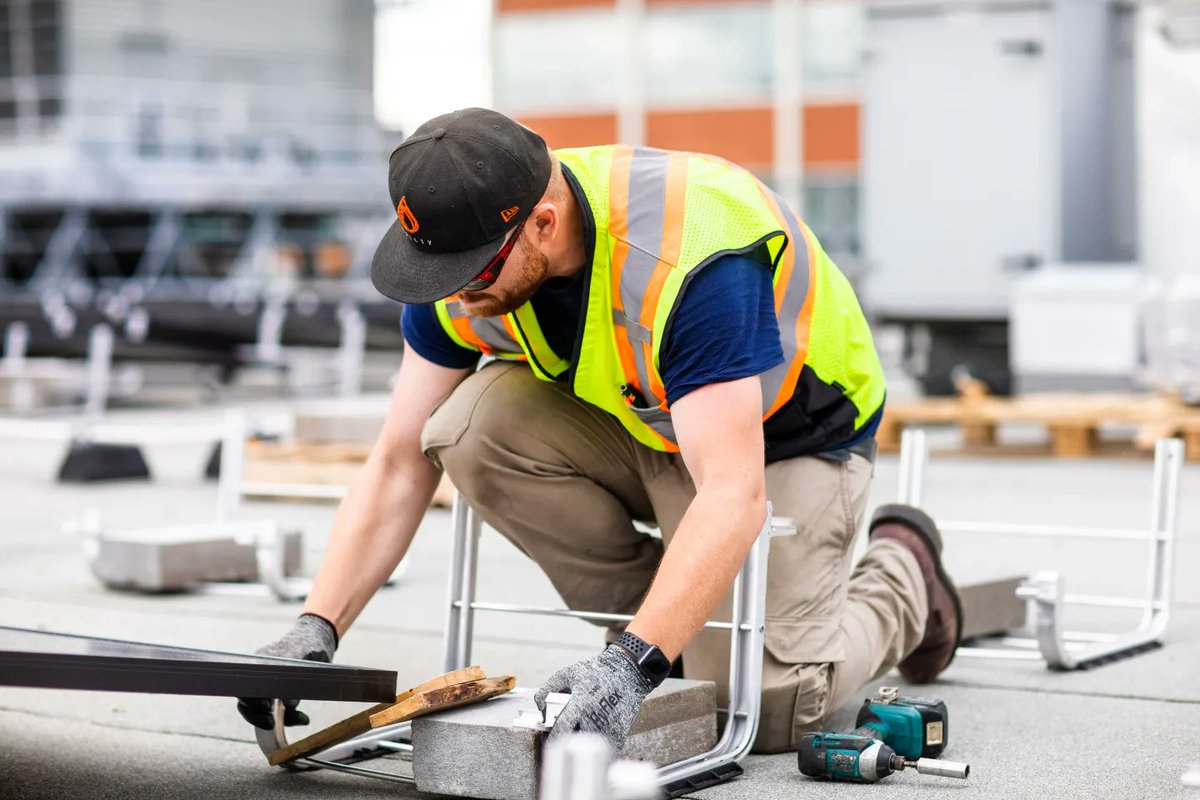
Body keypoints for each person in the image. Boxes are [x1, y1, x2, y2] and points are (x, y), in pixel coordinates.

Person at [237, 108, 961, 754]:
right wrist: (317, 629)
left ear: (544, 225)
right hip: (644, 419)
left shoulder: (692, 251)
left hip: (787, 440)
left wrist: (627, 667)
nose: (456, 296)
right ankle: (674, 637)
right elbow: (399, 460)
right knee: (463, 426)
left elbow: (733, 494)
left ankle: (905, 568)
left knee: (770, 709)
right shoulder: (462, 256)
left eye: (472, 276)